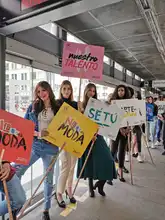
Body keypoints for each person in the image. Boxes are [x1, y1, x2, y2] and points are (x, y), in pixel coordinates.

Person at [12, 81, 59, 220]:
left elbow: (64, 127)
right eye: (38, 92)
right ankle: (17, 203)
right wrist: (39, 134)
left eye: (43, 90)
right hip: (36, 146)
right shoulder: (33, 107)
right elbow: (25, 127)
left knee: (48, 180)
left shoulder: (58, 107)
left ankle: (46, 209)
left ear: (49, 90)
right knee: (17, 171)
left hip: (51, 148)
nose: (41, 94)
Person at [77, 83, 117, 197]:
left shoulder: (99, 104)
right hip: (85, 137)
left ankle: (100, 184)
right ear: (85, 91)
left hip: (98, 136)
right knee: (89, 162)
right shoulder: (81, 105)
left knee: (109, 160)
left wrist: (109, 105)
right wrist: (80, 110)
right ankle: (90, 188)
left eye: (94, 91)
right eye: (90, 90)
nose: (92, 93)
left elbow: (107, 114)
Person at [55, 80, 78, 208]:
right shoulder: (57, 104)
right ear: (61, 90)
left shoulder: (75, 104)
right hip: (62, 140)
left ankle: (69, 191)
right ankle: (59, 193)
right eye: (64, 88)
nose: (66, 91)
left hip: (74, 139)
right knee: (65, 165)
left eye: (69, 89)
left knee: (72, 166)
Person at [110, 85, 130, 182]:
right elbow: (113, 116)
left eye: (122, 90)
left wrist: (129, 128)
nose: (121, 92)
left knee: (122, 151)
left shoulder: (129, 103)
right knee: (113, 151)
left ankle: (120, 171)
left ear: (125, 91)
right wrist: (121, 128)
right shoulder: (113, 102)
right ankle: (109, 173)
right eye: (119, 90)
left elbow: (132, 117)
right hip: (115, 130)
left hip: (125, 131)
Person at [132, 91, 143, 163]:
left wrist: (141, 122)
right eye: (134, 96)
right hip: (131, 124)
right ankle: (131, 152)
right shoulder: (130, 103)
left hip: (138, 124)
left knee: (138, 140)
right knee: (133, 140)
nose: (134, 97)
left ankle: (139, 154)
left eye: (136, 96)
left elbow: (142, 114)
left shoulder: (141, 104)